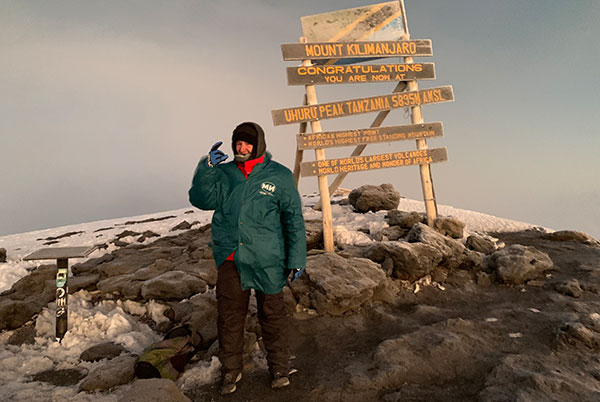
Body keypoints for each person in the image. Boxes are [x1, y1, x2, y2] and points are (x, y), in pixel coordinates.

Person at [188, 122, 306, 395]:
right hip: (232, 257)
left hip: (268, 259)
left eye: (247, 144)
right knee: (229, 317)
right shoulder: (225, 173)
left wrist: (296, 257)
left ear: (259, 145)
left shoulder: (280, 176)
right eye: (238, 144)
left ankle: (278, 367)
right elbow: (200, 199)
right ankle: (231, 371)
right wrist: (206, 168)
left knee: (273, 315)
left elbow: (293, 219)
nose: (241, 148)